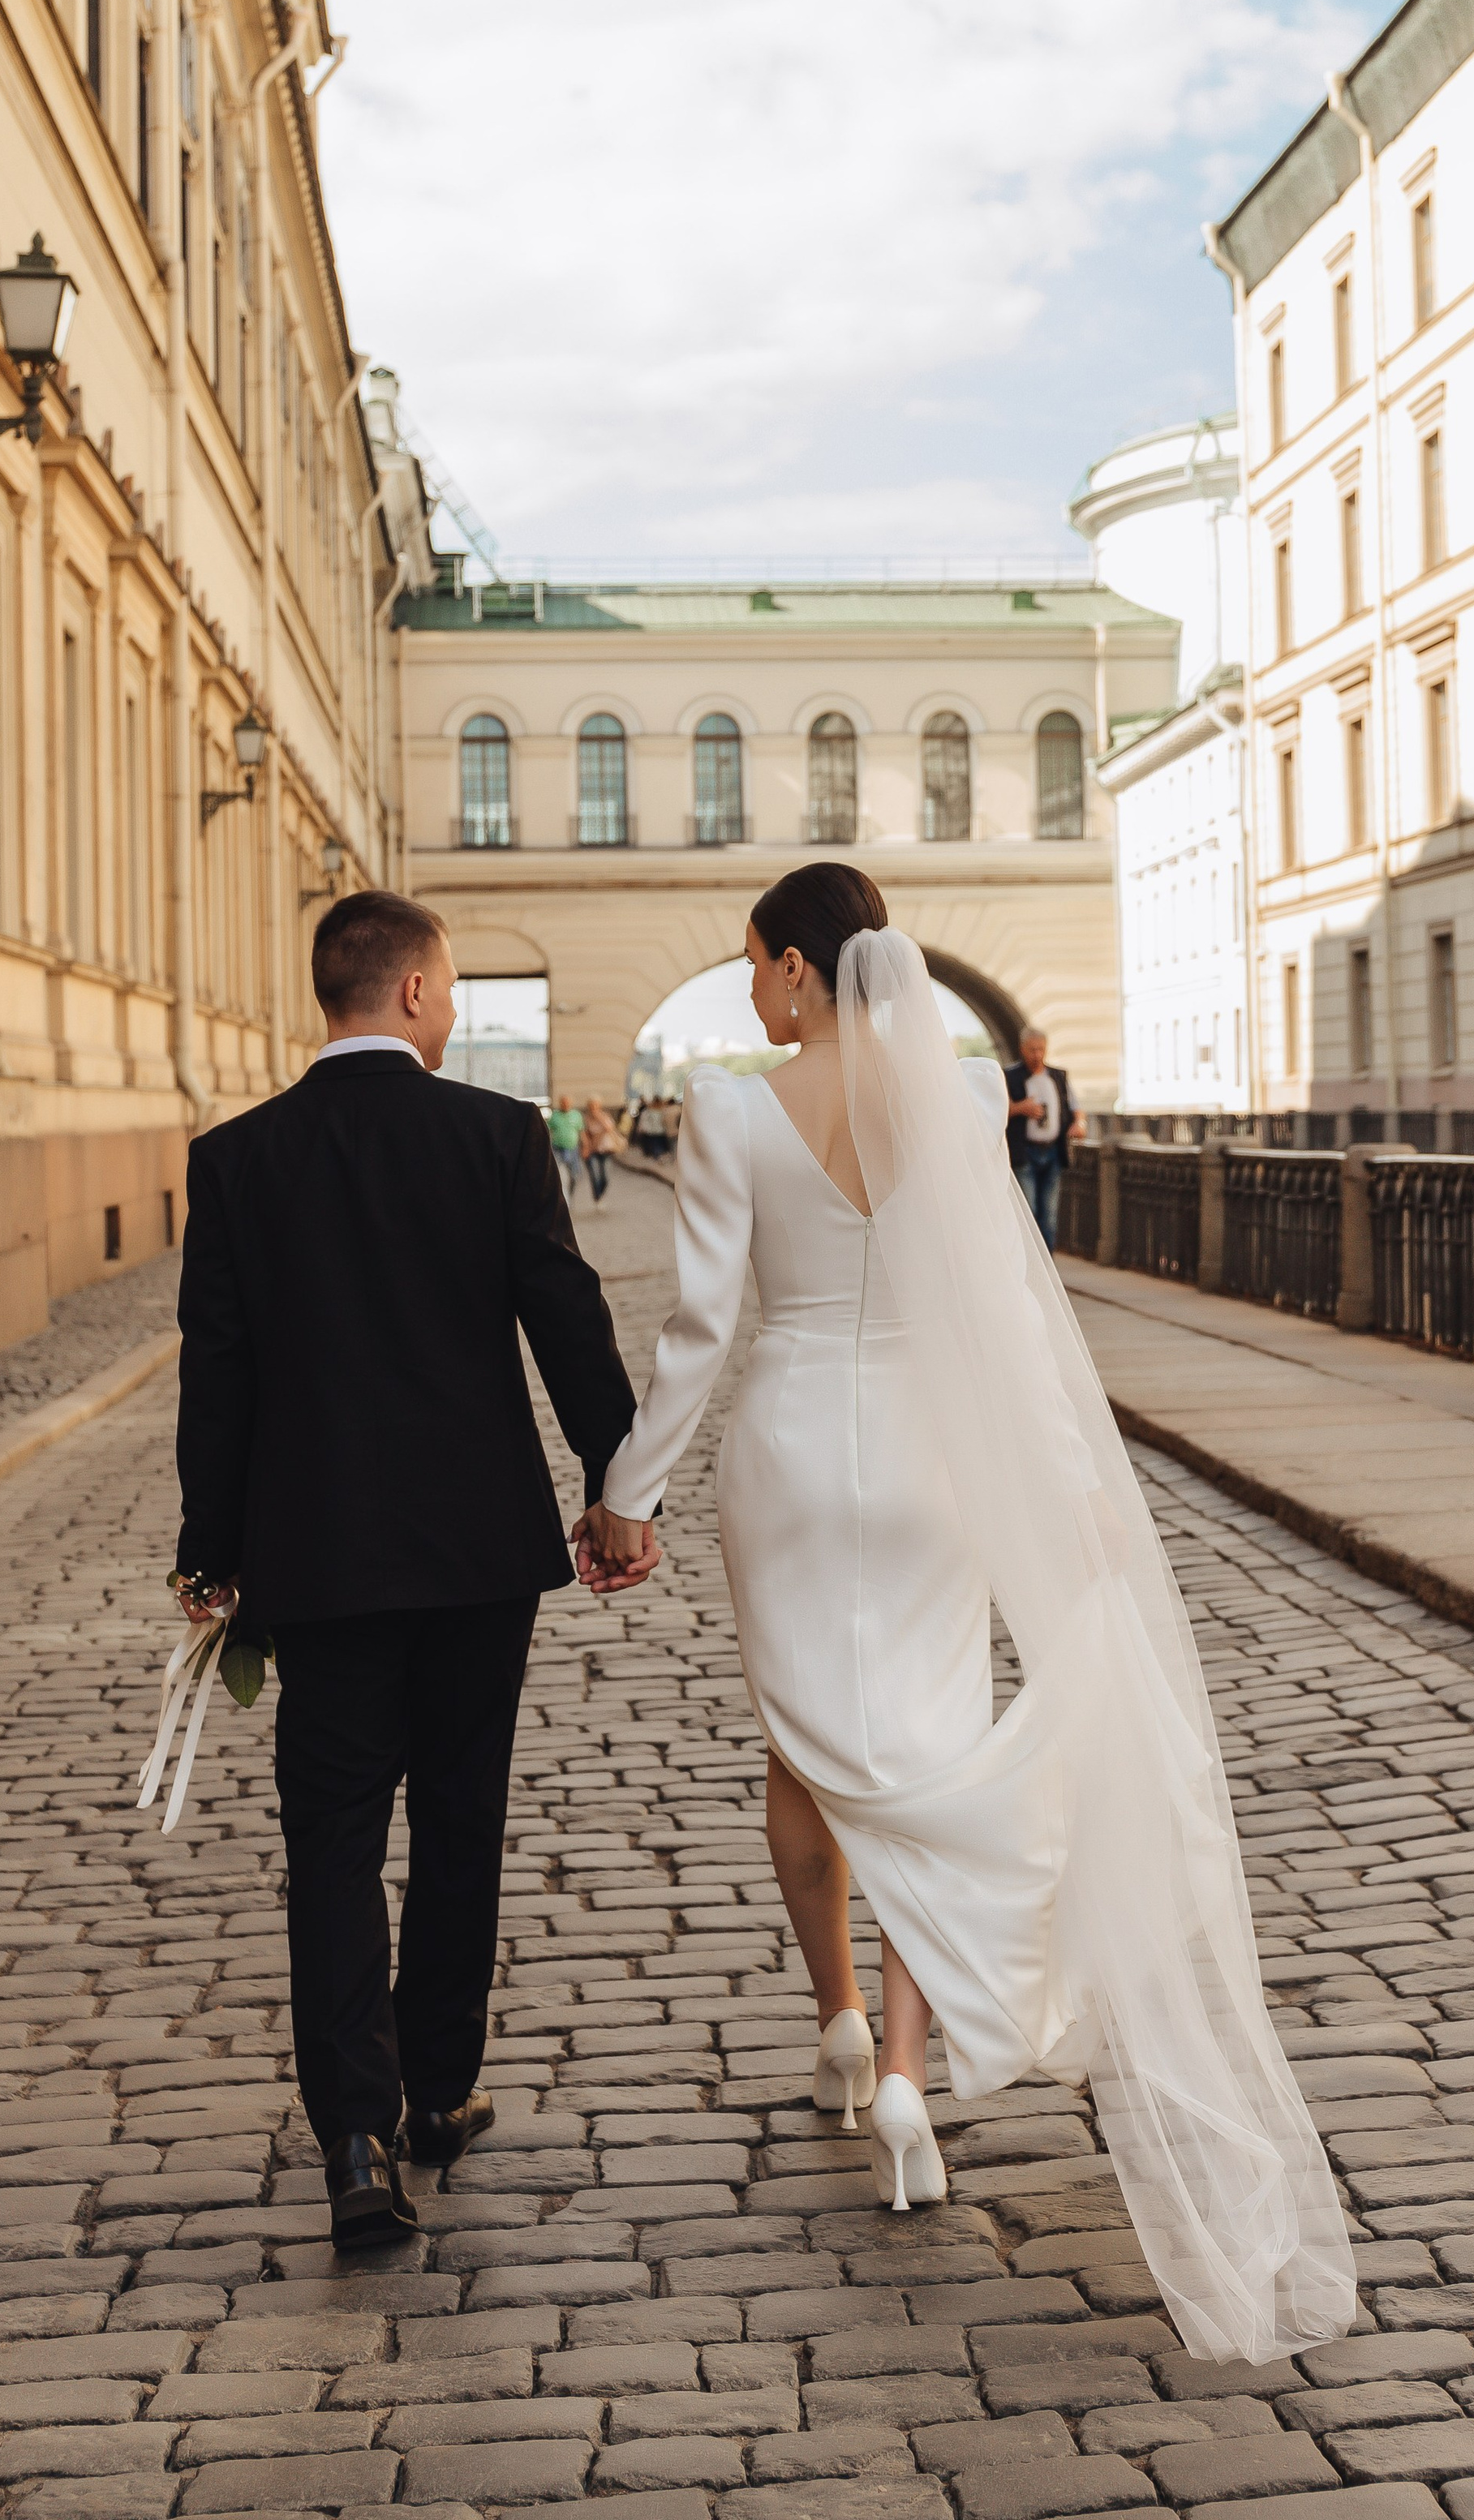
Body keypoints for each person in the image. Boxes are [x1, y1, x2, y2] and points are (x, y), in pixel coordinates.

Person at [570, 866, 1351, 2361]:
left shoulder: (731, 1113)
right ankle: (916, 2078)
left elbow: (698, 1330)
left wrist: (628, 1494)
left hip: (793, 1455)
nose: (749, 994)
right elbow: (1001, 1296)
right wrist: (1072, 1489)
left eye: (756, 969)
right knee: (927, 1748)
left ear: (802, 969)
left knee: (804, 1757)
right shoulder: (965, 1089)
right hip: (935, 1455)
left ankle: (841, 2024)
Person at [174, 891, 645, 2251]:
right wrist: (622, 1488)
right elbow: (566, 1319)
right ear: (423, 994)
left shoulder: (237, 1159)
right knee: (457, 1822)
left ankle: (357, 2138)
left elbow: (223, 1377)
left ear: (334, 994)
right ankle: (439, 2088)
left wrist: (212, 1553)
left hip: (315, 1563)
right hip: (472, 1556)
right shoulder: (493, 1137)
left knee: (328, 1842)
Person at [1003, 1024, 1083, 1251]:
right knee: (1028, 1211)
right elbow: (998, 1109)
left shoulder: (1058, 1076)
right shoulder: (1010, 1076)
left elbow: (1076, 1107)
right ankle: (1028, 1264)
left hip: (1053, 1152)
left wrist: (1079, 1123)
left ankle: (1047, 1270)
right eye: (1032, 1050)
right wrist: (1021, 1108)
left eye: (1041, 1049)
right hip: (1024, 1153)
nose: (1037, 1055)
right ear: (1022, 1049)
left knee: (1049, 1214)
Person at [579, 1094, 620, 1202]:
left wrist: (599, 1117)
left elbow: (609, 1128)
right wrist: (585, 1148)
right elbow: (584, 1135)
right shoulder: (586, 1119)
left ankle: (601, 1194)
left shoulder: (605, 1116)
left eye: (596, 1105)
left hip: (605, 1150)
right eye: (591, 1106)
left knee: (605, 1177)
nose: (593, 1108)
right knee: (594, 1175)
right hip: (592, 1150)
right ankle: (597, 1196)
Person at [547, 1094, 584, 1199]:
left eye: (568, 1103)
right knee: (556, 1174)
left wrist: (585, 1146)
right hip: (557, 1148)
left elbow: (581, 1132)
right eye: (563, 1103)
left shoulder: (576, 1115)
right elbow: (548, 1130)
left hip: (572, 1149)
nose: (566, 1105)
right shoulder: (555, 1116)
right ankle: (562, 1198)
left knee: (574, 1176)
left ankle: (570, 1196)